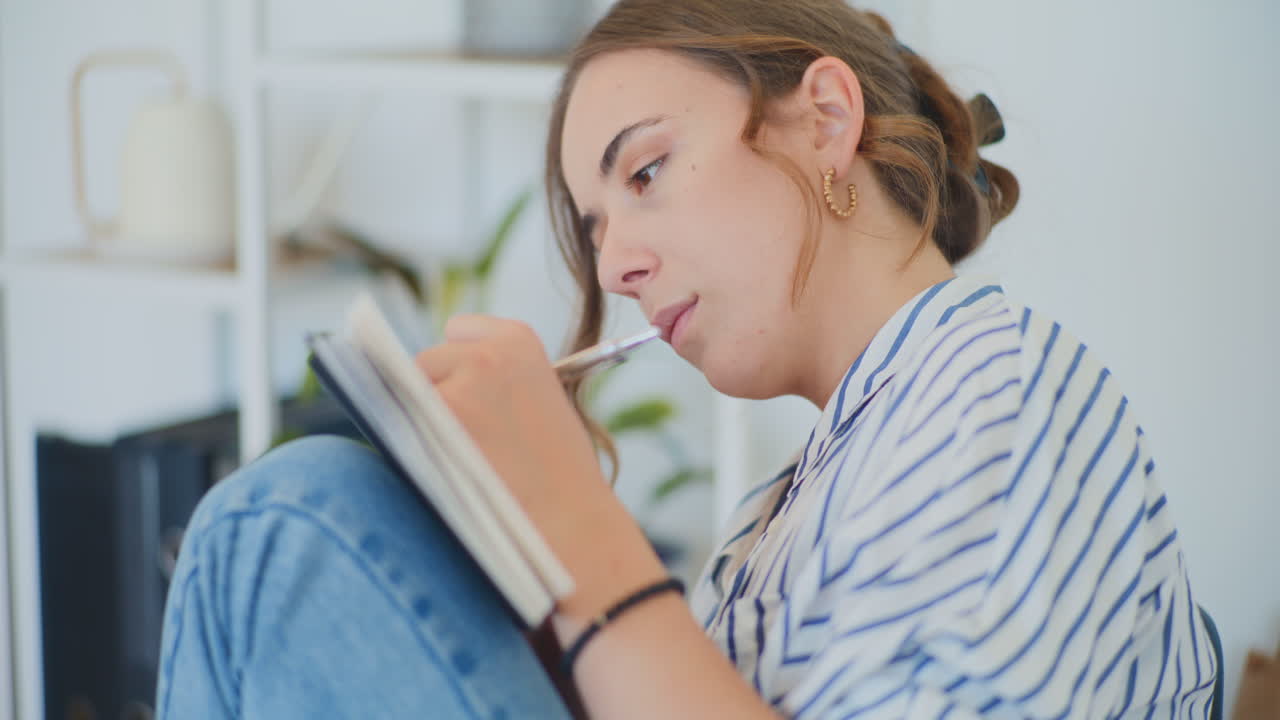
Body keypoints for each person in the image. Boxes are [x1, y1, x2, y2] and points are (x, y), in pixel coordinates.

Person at [155, 1, 1218, 717]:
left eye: (647, 172)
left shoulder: (998, 378)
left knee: (286, 518)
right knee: (305, 511)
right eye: (594, 224)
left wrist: (583, 541)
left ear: (824, 120)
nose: (614, 263)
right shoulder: (777, 512)